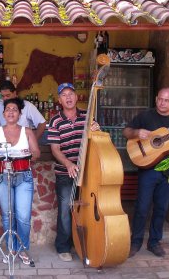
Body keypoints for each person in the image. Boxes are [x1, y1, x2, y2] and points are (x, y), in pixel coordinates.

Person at [123, 87, 169, 258]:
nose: (162, 103)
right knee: (141, 207)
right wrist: (136, 132)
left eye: (167, 100)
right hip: (148, 170)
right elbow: (125, 132)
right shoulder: (145, 116)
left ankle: (154, 242)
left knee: (161, 208)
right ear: (156, 99)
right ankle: (136, 241)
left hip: (168, 172)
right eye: (160, 99)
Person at [47, 83, 100, 262]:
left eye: (71, 94)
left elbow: (97, 141)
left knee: (87, 208)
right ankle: (63, 246)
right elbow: (55, 149)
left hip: (87, 171)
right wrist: (69, 164)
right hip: (65, 172)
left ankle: (86, 243)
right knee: (65, 210)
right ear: (59, 100)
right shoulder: (55, 120)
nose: (68, 97)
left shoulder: (87, 116)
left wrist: (96, 130)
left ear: (77, 97)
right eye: (64, 95)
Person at [0, 97, 40, 265]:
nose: (10, 112)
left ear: (20, 114)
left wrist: (29, 154)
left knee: (23, 217)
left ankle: (23, 248)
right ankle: (11, 249)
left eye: (14, 109)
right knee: (8, 216)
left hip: (24, 177)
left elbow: (37, 153)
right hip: (2, 177)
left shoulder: (27, 132)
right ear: (3, 113)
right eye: (8, 109)